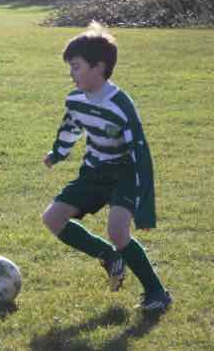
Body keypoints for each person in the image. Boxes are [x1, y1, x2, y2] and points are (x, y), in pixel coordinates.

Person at [41, 22, 172, 312]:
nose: (71, 74)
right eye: (70, 67)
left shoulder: (121, 106)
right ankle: (110, 256)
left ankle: (156, 292)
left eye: (76, 67)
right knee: (52, 218)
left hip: (124, 173)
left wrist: (144, 207)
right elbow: (71, 127)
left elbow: (140, 154)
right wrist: (57, 153)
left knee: (118, 231)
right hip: (93, 172)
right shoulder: (75, 99)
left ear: (98, 67)